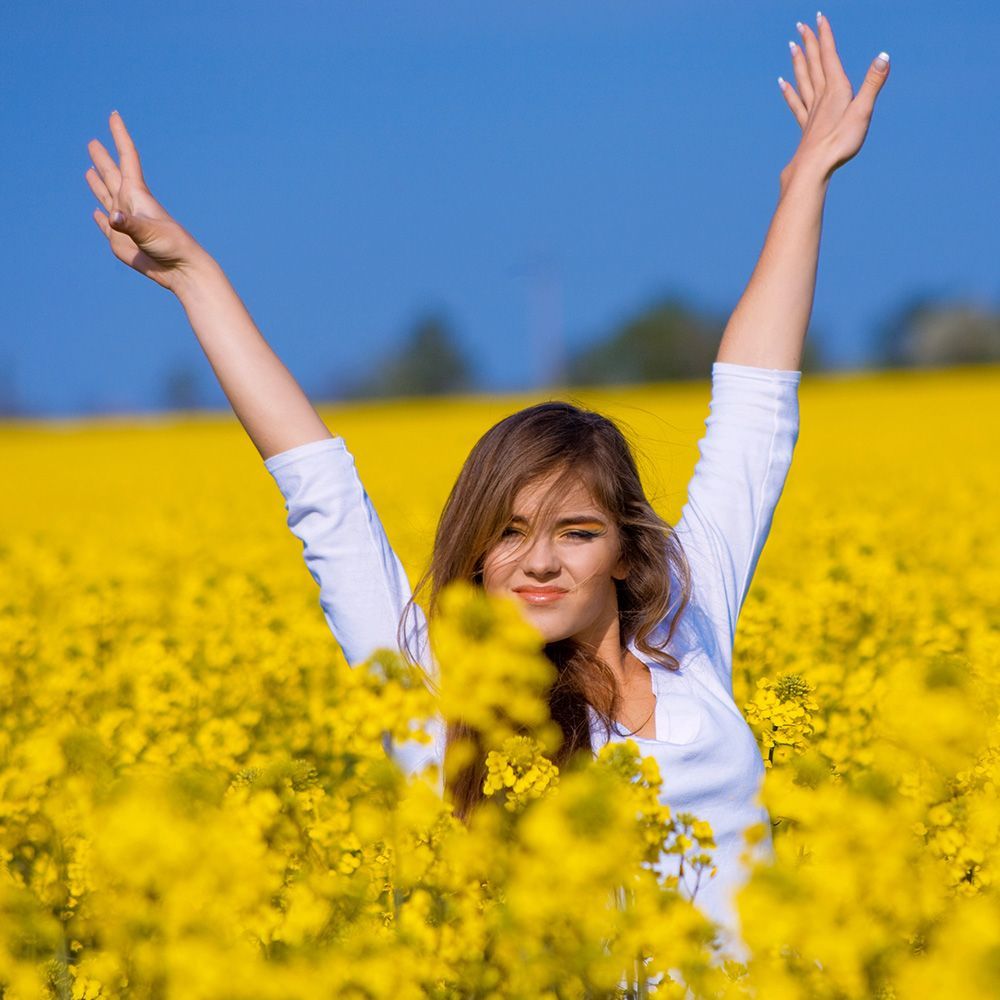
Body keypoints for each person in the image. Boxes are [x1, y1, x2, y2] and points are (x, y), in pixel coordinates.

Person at [85, 12, 889, 971]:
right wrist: (195, 279)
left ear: (627, 550)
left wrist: (804, 184)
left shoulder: (689, 638)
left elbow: (755, 418)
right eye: (509, 531)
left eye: (577, 532)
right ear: (475, 542)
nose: (539, 560)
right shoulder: (428, 677)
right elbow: (317, 488)